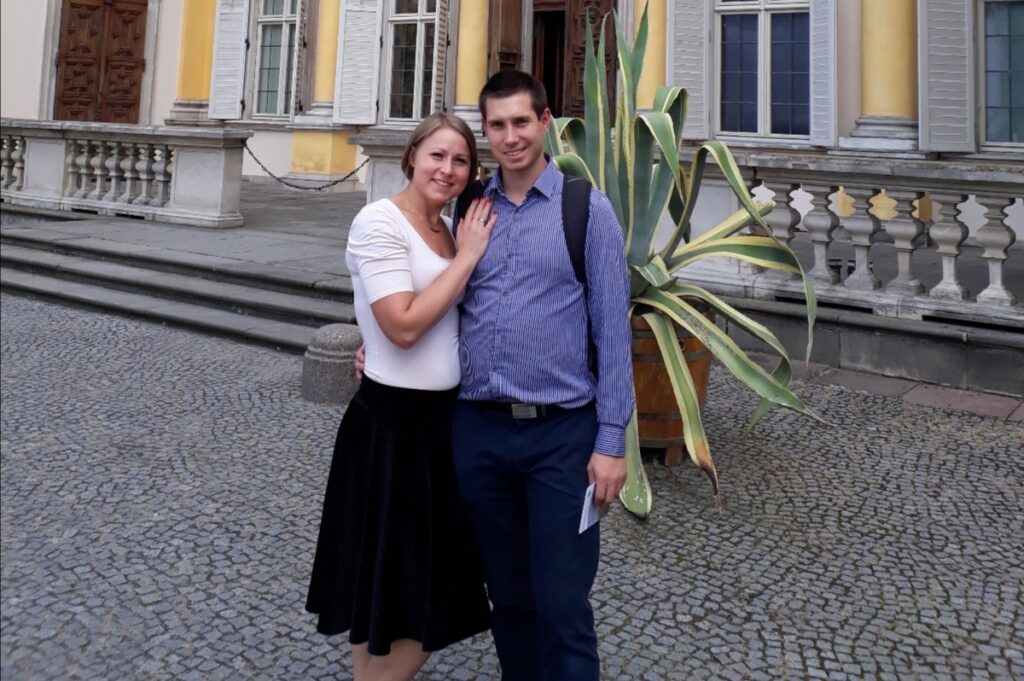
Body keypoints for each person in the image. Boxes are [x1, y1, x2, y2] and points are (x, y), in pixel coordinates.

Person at [451, 71, 634, 681]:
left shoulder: (586, 209)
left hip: (561, 437)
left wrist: (611, 443)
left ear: (546, 122)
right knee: (508, 599)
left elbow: (613, 334)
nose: (510, 137)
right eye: (497, 125)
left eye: (521, 122)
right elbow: (440, 301)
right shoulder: (469, 209)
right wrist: (377, 353)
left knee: (562, 605)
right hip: (480, 430)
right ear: (485, 131)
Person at [305, 113, 495, 681]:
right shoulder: (379, 220)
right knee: (410, 596)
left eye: (460, 160)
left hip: (441, 426)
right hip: (392, 430)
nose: (447, 169)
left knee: (402, 594)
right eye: (437, 155)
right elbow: (404, 325)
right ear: (411, 156)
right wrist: (467, 259)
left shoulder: (452, 227)